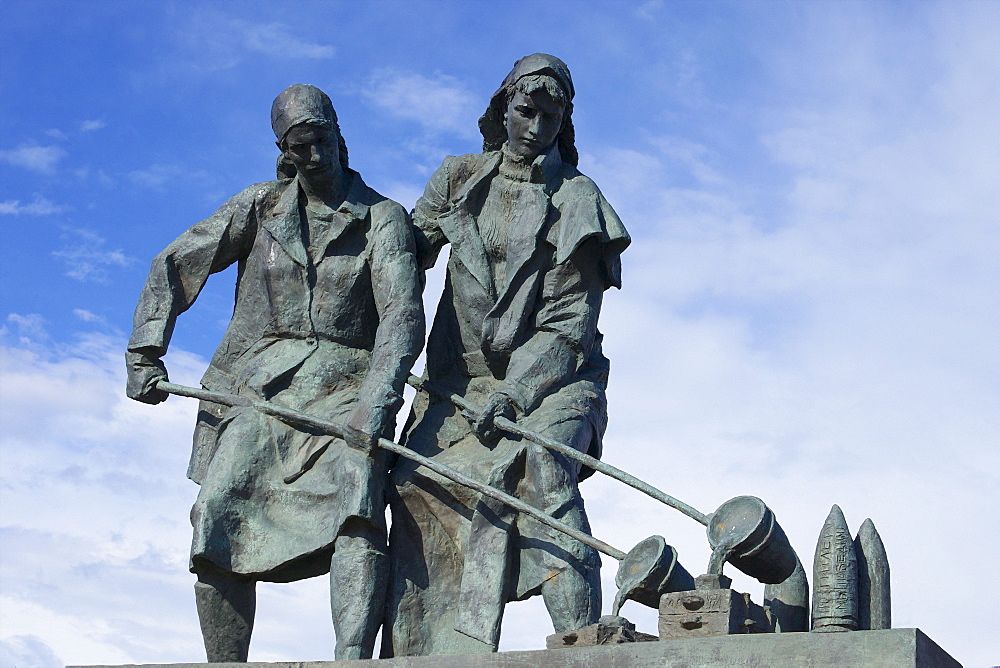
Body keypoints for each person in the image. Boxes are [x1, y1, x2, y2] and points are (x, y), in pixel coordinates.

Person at [125, 84, 423, 661]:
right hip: (259, 391)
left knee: (355, 498)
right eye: (299, 146)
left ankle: (353, 657)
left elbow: (402, 317)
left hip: (348, 388)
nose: (314, 156)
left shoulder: (382, 219)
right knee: (216, 513)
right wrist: (145, 349)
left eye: (321, 141)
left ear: (340, 137)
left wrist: (377, 401)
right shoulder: (261, 206)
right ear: (284, 149)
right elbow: (179, 260)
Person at [383, 54, 630, 656]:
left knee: (543, 469)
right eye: (525, 111)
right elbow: (403, 252)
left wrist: (516, 392)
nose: (536, 126)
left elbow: (569, 326)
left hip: (555, 382)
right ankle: (427, 652)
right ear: (502, 109)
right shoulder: (458, 177)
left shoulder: (579, 200)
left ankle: (580, 643)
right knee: (412, 483)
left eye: (551, 116)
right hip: (456, 385)